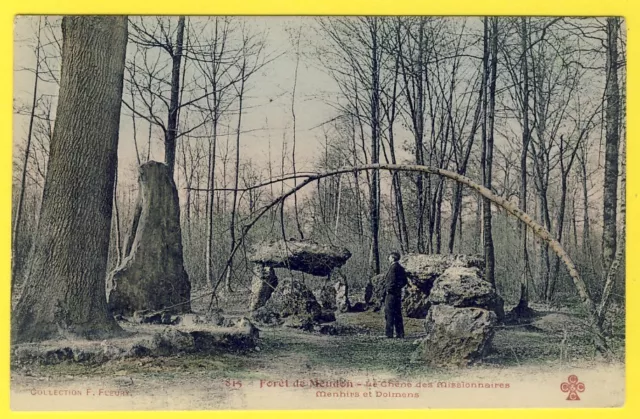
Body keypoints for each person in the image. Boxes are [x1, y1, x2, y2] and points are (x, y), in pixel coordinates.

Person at [383, 251, 408, 338]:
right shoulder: (400, 268)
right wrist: (398, 288)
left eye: (389, 257)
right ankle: (400, 333)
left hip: (391, 294)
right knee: (398, 313)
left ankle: (389, 334)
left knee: (389, 313)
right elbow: (404, 281)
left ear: (393, 258)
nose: (388, 258)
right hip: (397, 294)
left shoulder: (393, 268)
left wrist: (389, 289)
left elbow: (392, 281)